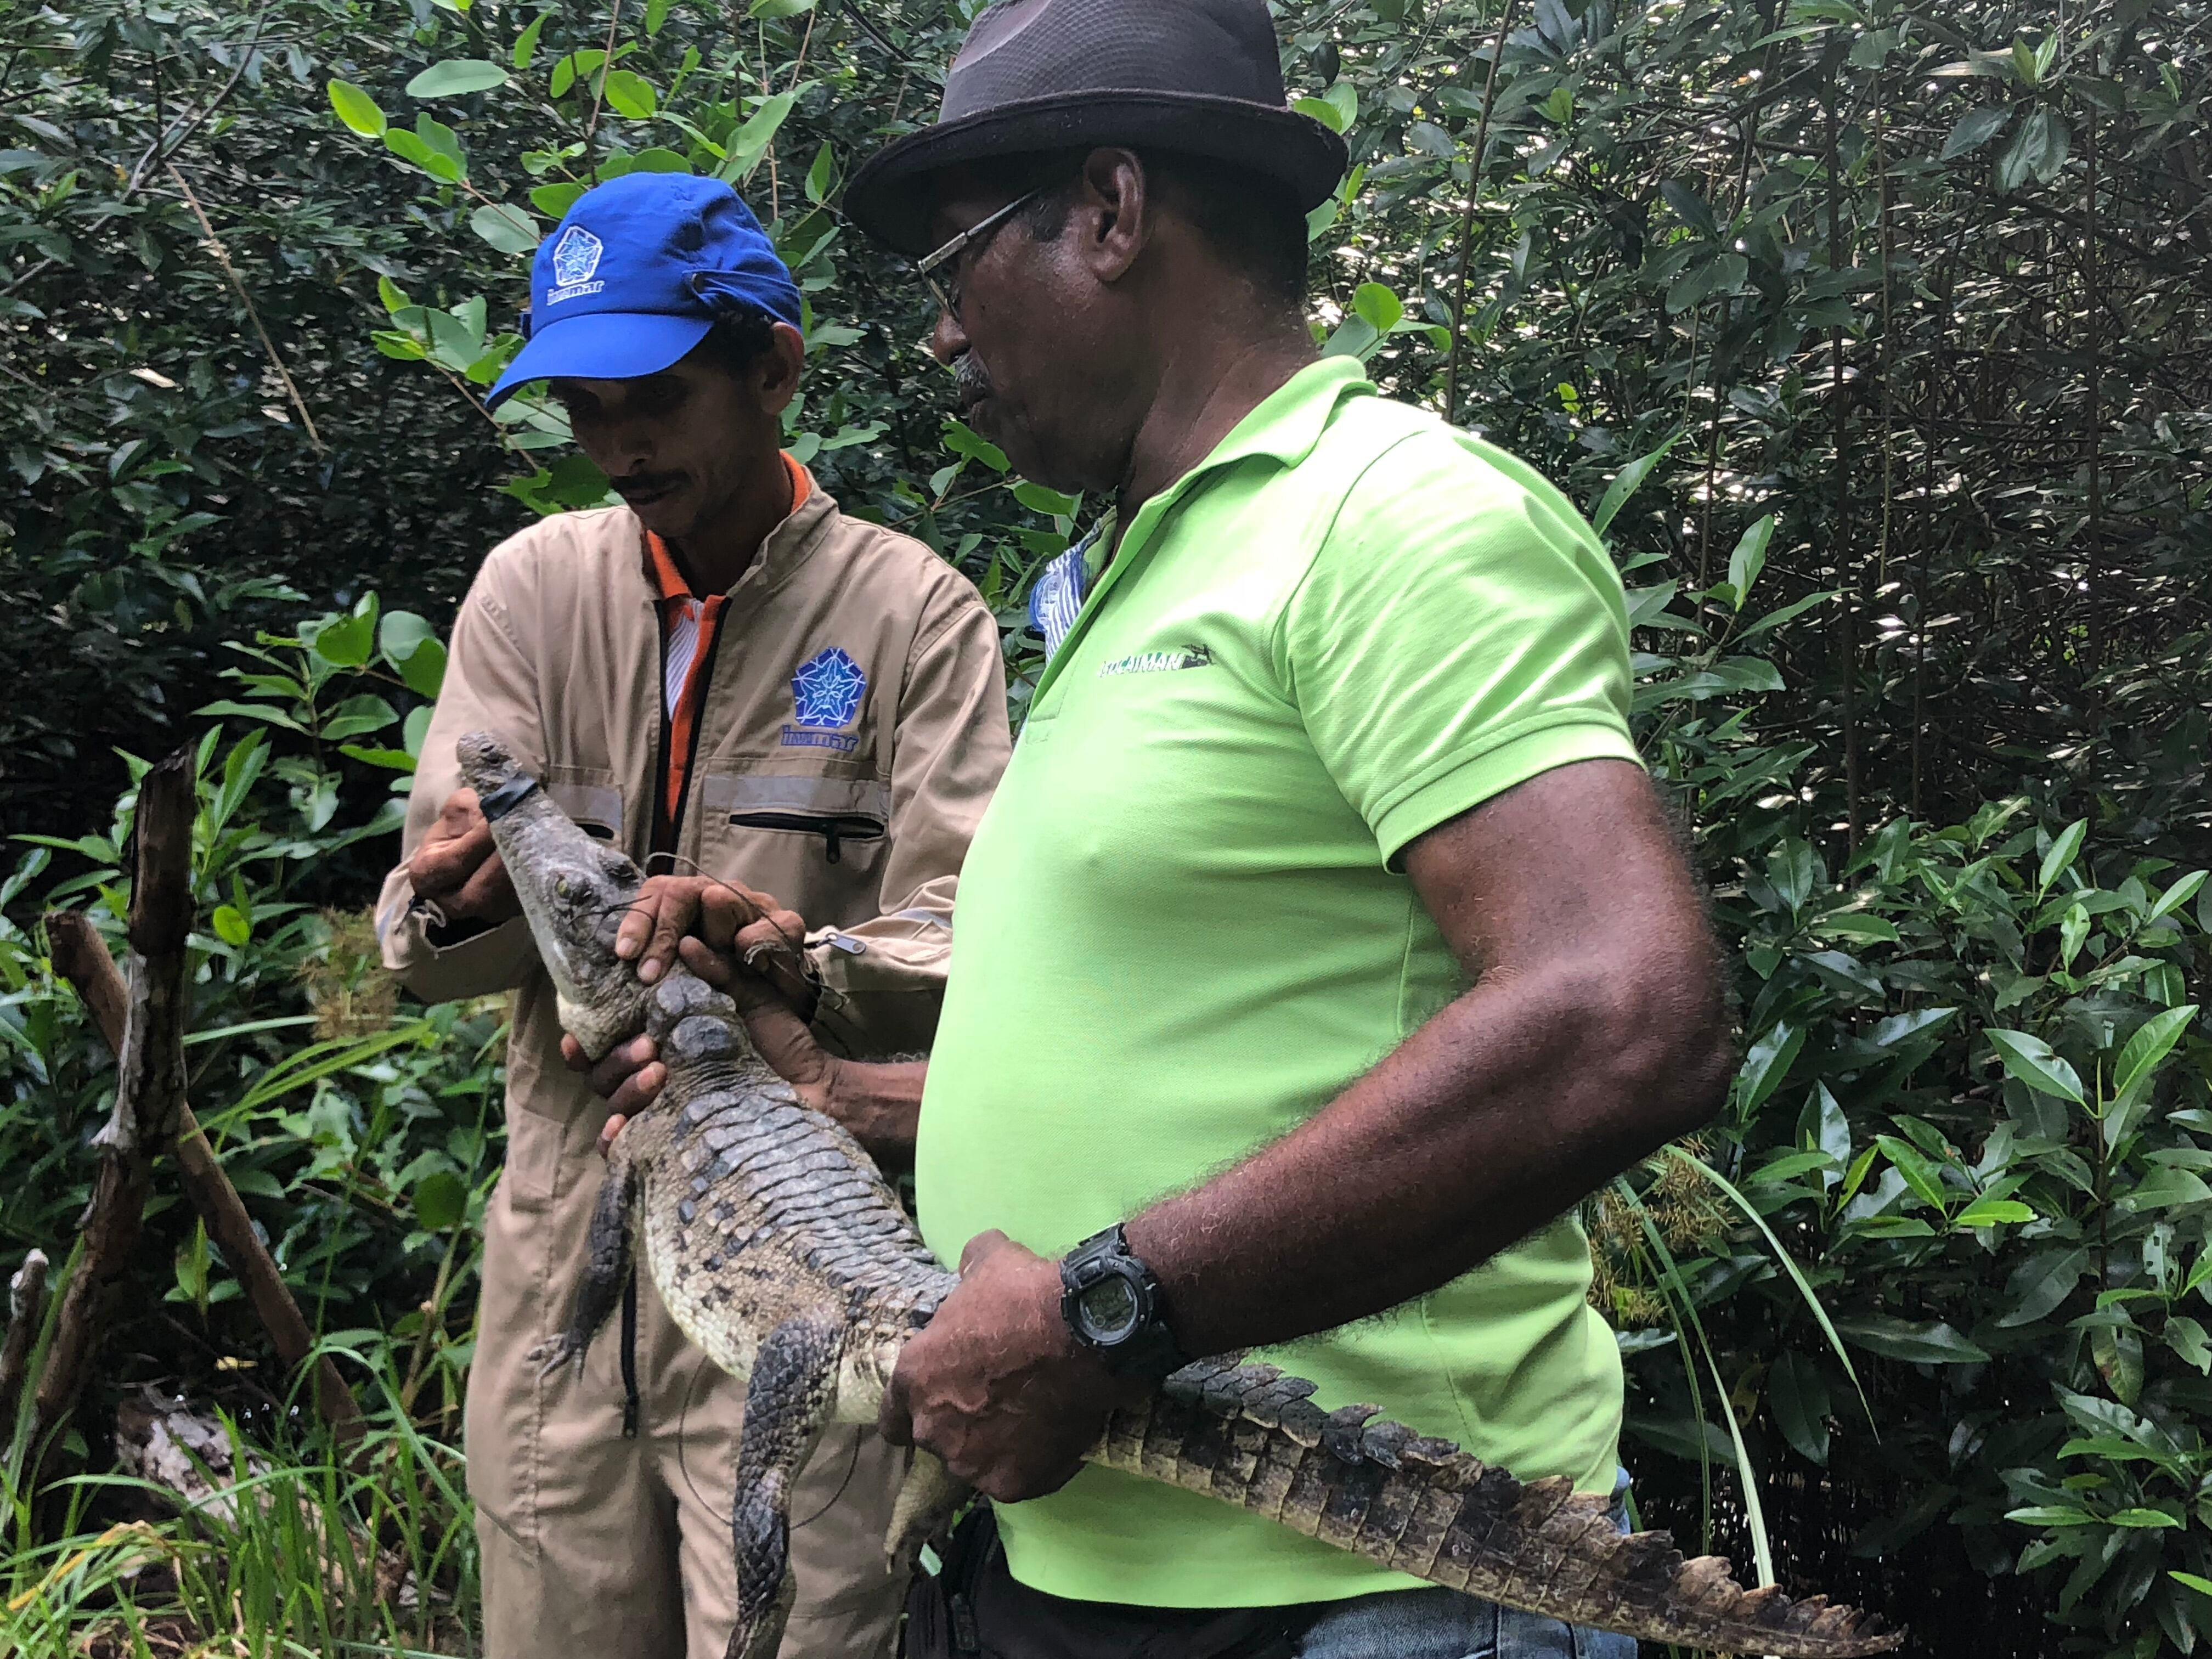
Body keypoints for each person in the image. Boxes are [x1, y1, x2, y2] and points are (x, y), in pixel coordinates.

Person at [374, 173, 1012, 1659]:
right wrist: (454, 902)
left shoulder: (914, 617)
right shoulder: (531, 591)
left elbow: (978, 941)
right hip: (564, 1265)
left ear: (772, 368)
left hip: (804, 1268)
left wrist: (787, 953)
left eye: (650, 395)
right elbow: (411, 949)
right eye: (581, 407)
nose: (614, 444)